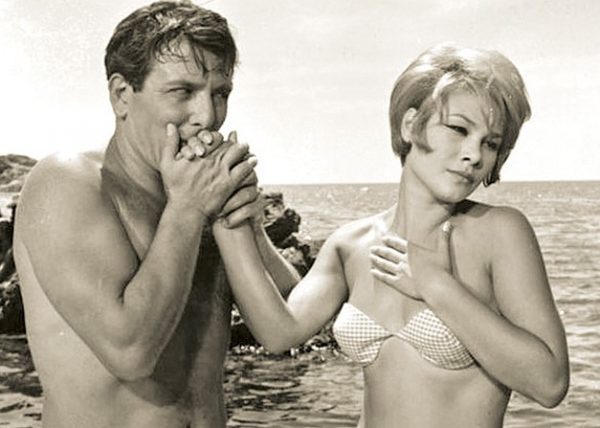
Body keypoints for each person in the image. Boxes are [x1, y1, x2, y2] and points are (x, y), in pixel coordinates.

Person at [213, 43, 570, 427]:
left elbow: (549, 383)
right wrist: (233, 217)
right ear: (410, 125)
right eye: (458, 129)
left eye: (491, 143)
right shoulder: (352, 244)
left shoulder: (499, 233)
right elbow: (279, 332)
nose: (474, 155)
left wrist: (435, 283)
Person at [13, 1, 299, 427]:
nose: (207, 116)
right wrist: (188, 209)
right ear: (121, 95)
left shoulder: (198, 190)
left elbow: (288, 321)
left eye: (220, 93)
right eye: (182, 92)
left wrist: (248, 224)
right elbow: (129, 352)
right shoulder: (66, 183)